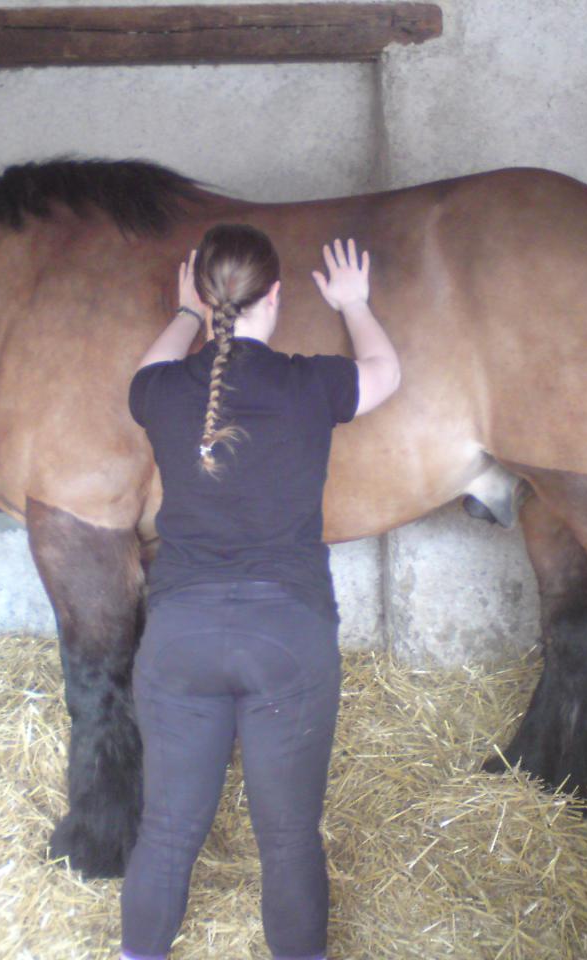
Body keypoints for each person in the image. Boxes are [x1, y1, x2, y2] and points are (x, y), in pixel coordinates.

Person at [121, 224, 401, 960]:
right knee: (287, 841)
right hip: (288, 638)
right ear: (276, 296)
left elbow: (141, 377)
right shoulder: (312, 383)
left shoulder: (161, 391)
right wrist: (354, 303)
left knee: (167, 833)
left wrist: (184, 315)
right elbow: (384, 372)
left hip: (180, 637)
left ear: (205, 297)